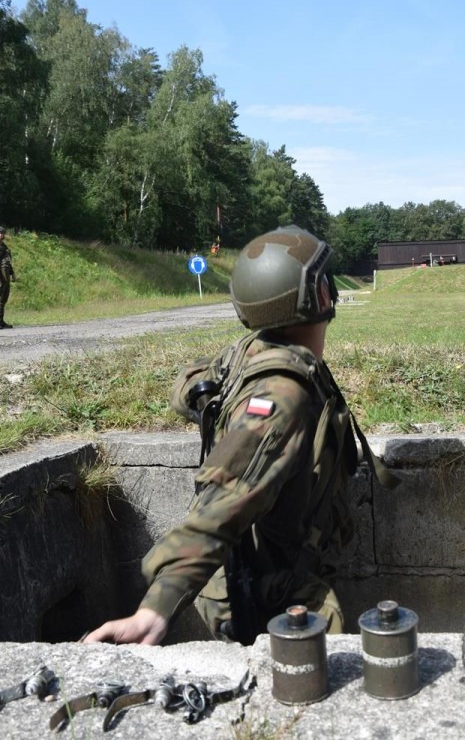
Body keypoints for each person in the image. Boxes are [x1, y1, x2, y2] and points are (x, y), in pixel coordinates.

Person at [83, 225, 397, 647]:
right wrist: (156, 609)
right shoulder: (282, 396)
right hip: (273, 593)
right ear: (314, 297)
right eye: (323, 282)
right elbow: (223, 501)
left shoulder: (252, 352)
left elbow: (186, 385)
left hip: (268, 568)